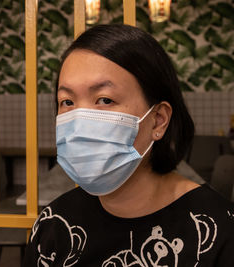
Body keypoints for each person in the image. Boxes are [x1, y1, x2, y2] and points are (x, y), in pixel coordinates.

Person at [23, 24, 234, 266]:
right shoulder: (54, 225)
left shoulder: (216, 231)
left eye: (104, 99)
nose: (80, 122)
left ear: (158, 120)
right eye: (67, 101)